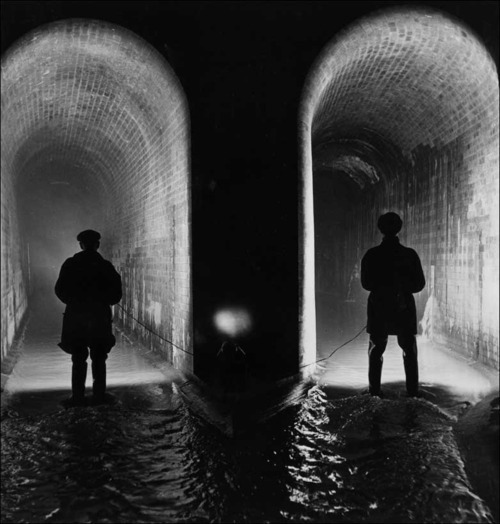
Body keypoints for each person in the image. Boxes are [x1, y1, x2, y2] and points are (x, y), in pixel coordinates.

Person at [361, 212, 425, 397]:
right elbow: (419, 284)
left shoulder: (372, 255)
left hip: (379, 307)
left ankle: (374, 391)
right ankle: (412, 392)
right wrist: (401, 287)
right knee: (409, 349)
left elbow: (366, 284)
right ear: (399, 228)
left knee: (376, 348)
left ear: (380, 229)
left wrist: (383, 287)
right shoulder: (409, 254)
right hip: (403, 307)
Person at [55, 230, 122, 407]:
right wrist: (102, 300)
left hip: (76, 318)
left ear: (81, 245)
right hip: (99, 317)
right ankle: (99, 396)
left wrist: (74, 302)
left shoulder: (70, 264)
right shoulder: (105, 266)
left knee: (78, 357)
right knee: (99, 356)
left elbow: (60, 290)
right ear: (97, 245)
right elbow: (116, 295)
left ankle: (77, 397)